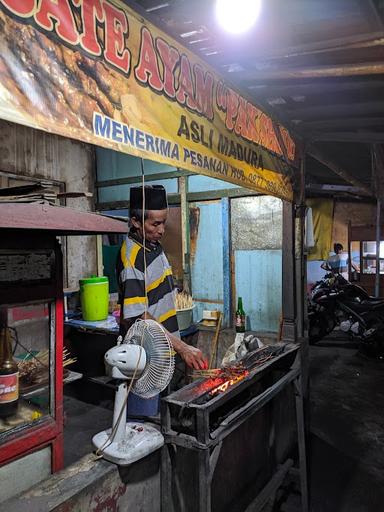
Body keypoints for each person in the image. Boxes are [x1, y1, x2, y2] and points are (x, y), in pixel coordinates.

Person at [116, 184, 207, 370]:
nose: (162, 230)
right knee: (145, 399)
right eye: (155, 224)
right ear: (135, 222)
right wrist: (182, 347)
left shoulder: (152, 244)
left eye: (164, 222)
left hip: (165, 349)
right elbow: (139, 316)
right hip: (147, 356)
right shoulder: (132, 258)